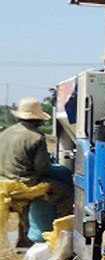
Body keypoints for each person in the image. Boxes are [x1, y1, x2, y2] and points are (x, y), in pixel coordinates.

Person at [0, 97, 73, 246]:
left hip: (3, 184)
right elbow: (42, 169)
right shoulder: (36, 137)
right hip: (24, 185)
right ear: (37, 120)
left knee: (27, 205)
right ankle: (60, 236)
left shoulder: (6, 132)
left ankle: (24, 239)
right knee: (65, 192)